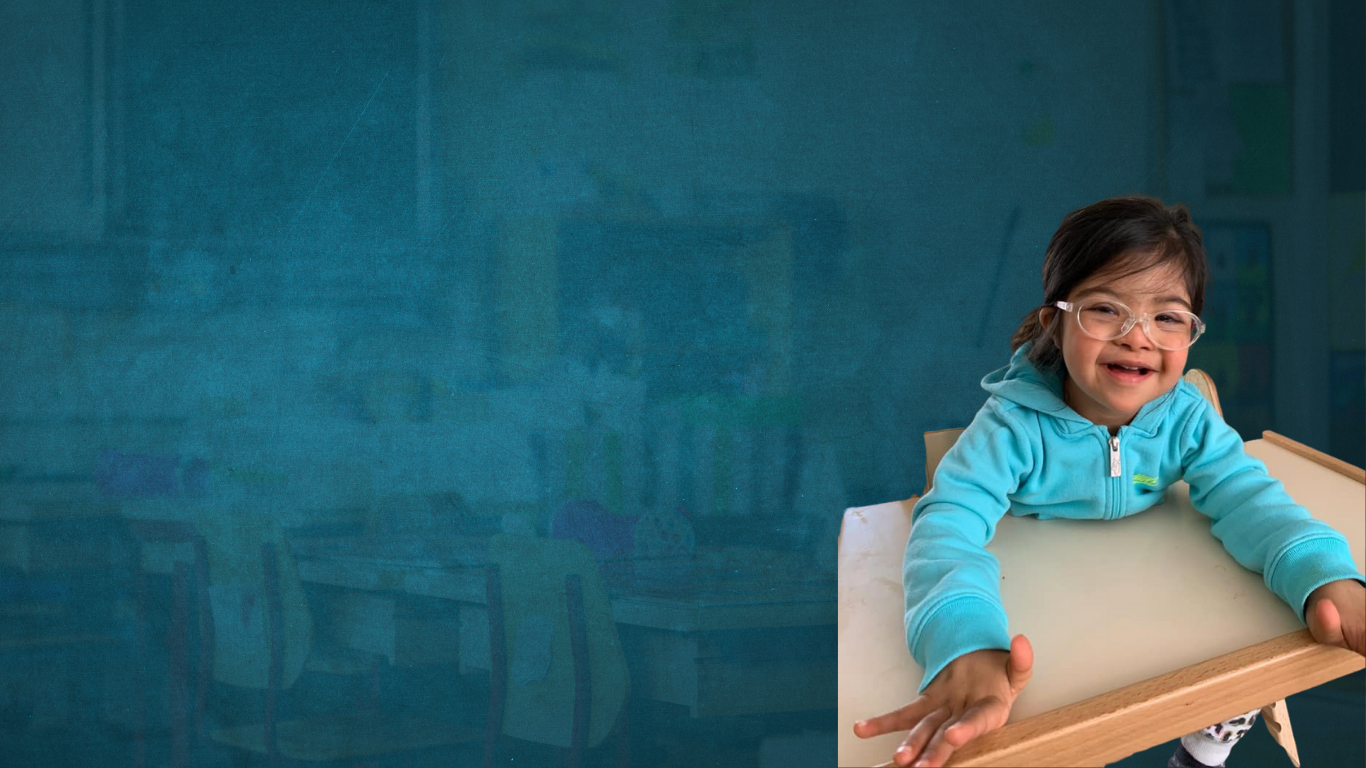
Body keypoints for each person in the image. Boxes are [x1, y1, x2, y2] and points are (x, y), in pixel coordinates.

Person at [852, 196, 1366, 768]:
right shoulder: (1012, 427)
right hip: (1048, 613)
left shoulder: (1187, 417)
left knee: (1230, 653)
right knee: (1053, 725)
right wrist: (964, 637)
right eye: (1105, 310)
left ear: (1191, 335)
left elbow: (1248, 495)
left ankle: (1202, 750)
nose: (1137, 336)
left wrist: (1322, 571)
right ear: (1055, 320)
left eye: (1168, 317)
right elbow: (946, 523)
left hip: (1153, 597)